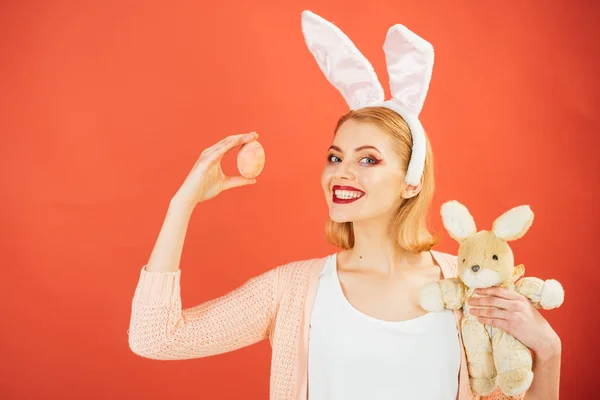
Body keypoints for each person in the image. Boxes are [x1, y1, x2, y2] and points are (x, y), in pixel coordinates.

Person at [127, 10, 561, 400]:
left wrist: (549, 348)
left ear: (410, 183)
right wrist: (181, 204)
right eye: (335, 157)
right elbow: (155, 338)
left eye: (367, 159)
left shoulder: (469, 288)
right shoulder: (293, 290)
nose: (341, 172)